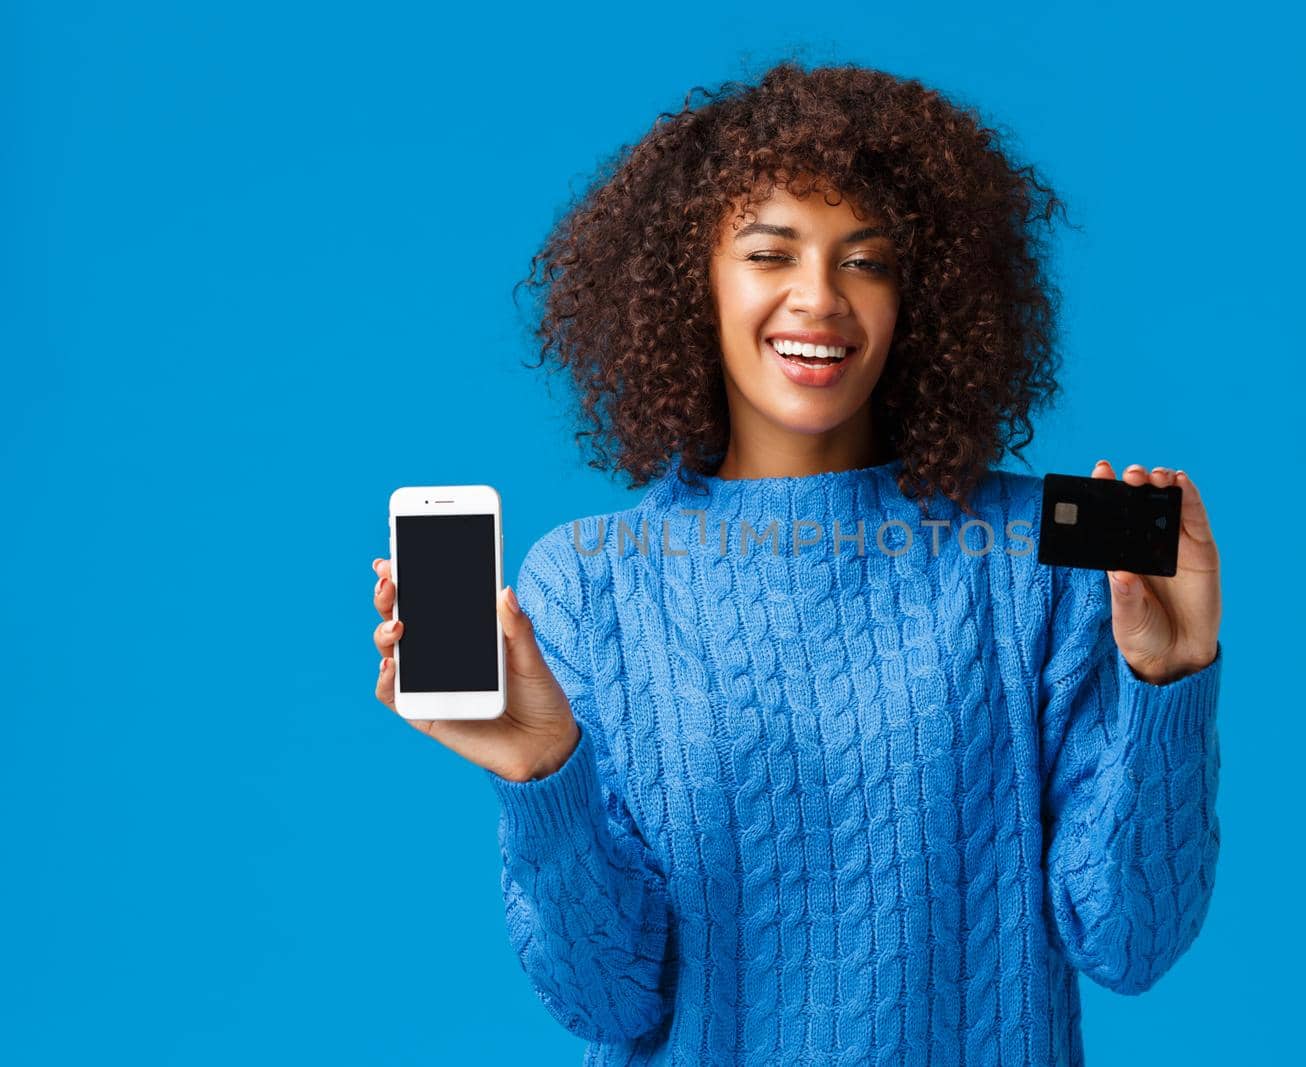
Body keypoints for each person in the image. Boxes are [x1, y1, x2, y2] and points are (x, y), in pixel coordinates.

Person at [370, 59, 1223, 1067]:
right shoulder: (586, 581)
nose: (818, 300)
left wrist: (1168, 684)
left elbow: (1126, 941)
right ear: (694, 279)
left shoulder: (1040, 550)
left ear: (925, 294)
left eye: (866, 261)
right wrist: (539, 773)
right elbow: (607, 995)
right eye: (770, 254)